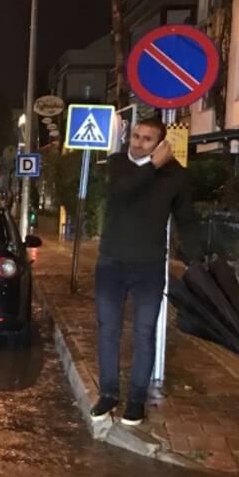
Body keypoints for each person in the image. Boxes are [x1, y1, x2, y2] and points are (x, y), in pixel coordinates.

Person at [90, 117, 203, 428]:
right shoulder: (116, 165)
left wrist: (197, 258)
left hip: (149, 267)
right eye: (135, 136)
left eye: (146, 139)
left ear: (161, 143)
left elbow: (187, 219)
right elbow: (121, 193)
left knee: (144, 333)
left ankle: (136, 400)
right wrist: (152, 165)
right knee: (108, 331)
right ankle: (109, 393)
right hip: (111, 264)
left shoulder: (176, 177)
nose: (137, 143)